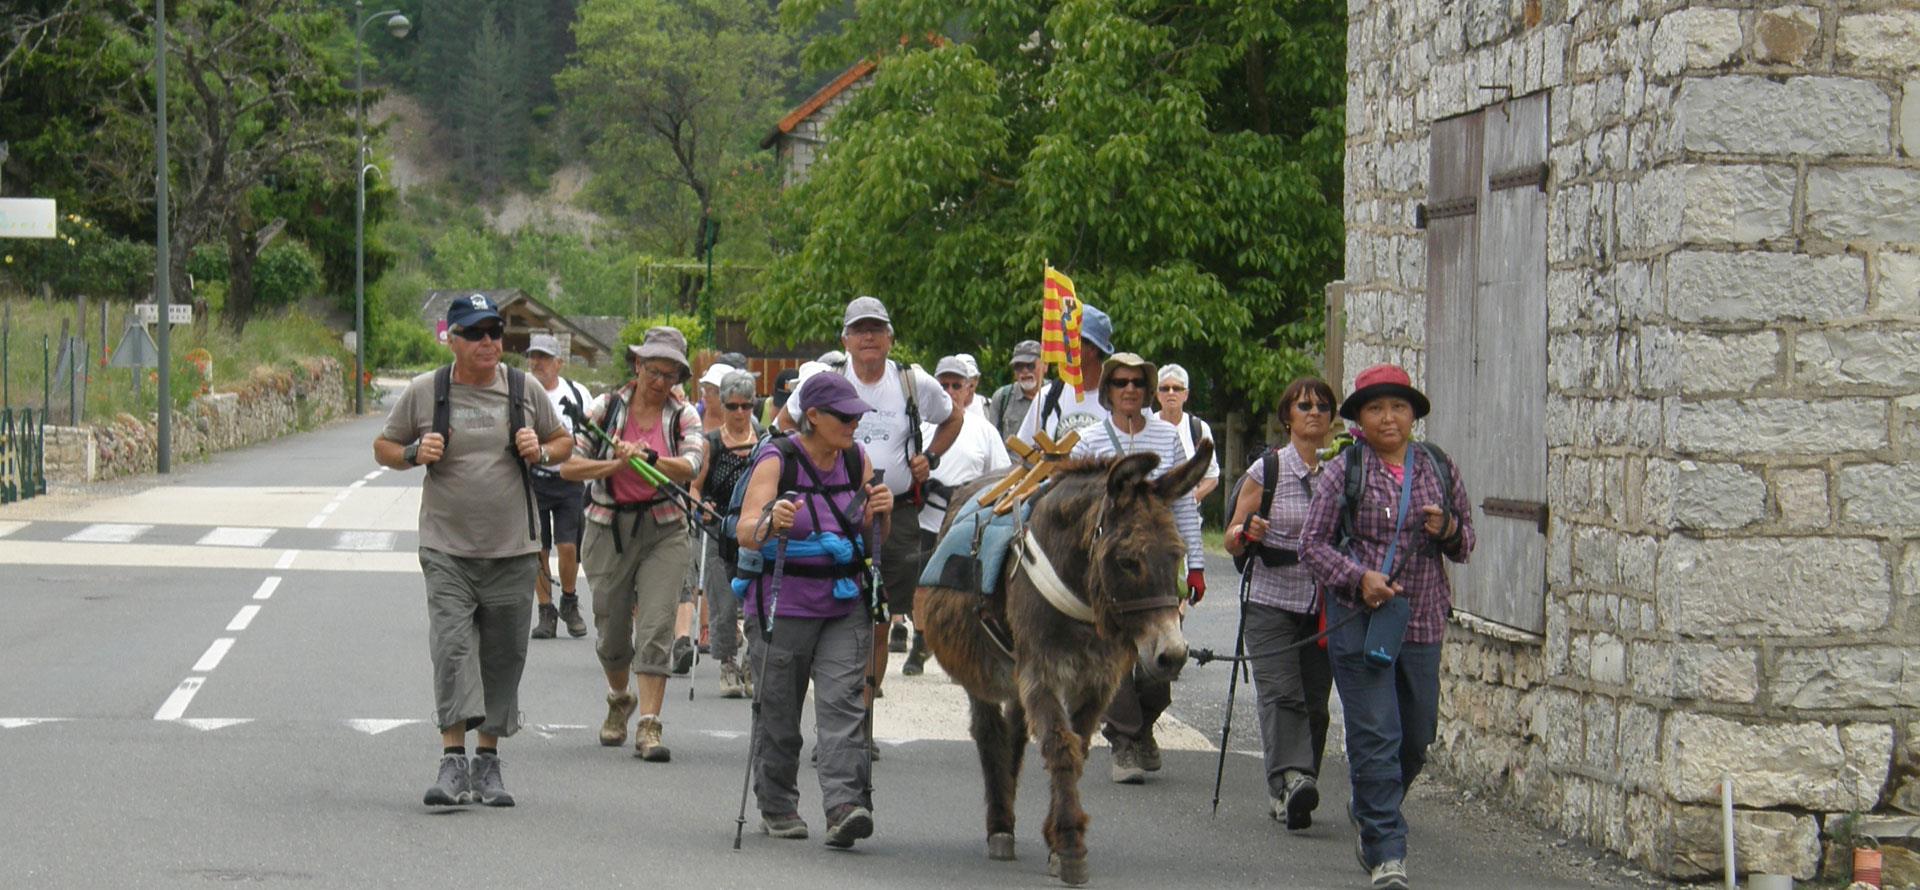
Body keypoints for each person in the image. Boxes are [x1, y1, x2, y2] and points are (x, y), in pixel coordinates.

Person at [374, 293, 573, 808]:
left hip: (512, 548)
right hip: (446, 547)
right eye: (477, 333)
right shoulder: (427, 391)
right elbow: (385, 447)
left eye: (495, 333)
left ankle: (488, 762)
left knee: (504, 654)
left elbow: (563, 441)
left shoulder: (524, 389)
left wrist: (543, 450)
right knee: (452, 648)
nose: (489, 342)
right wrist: (415, 452)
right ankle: (452, 759)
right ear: (453, 340)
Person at [1300, 364, 1474, 890]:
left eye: (1398, 406)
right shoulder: (1343, 470)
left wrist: (1446, 528)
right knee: (1376, 734)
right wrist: (1359, 578)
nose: (1389, 417)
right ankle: (1386, 850)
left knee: (1417, 736)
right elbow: (1312, 544)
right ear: (1360, 419)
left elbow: (1466, 544)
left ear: (1413, 414)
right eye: (1376, 408)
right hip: (1361, 621)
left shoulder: (1438, 467)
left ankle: (1370, 802)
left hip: (1419, 622)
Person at [775, 297, 960, 708]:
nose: (869, 337)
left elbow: (954, 417)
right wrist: (801, 471)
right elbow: (784, 425)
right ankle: (835, 705)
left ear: (891, 338)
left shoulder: (913, 382)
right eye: (859, 330)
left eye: (876, 329)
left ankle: (862, 709)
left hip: (894, 509)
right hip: (829, 510)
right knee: (830, 608)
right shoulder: (825, 380)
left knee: (879, 615)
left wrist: (930, 458)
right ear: (845, 339)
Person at [738, 372, 893, 848]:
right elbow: (746, 531)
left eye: (856, 415)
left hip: (842, 601)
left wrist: (878, 513)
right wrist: (771, 519)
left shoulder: (855, 459)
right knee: (780, 710)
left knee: (845, 701)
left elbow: (868, 539)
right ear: (814, 417)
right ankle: (779, 803)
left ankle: (845, 805)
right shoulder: (777, 458)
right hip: (782, 602)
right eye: (844, 416)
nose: (853, 423)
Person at [561, 326, 706, 763]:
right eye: (653, 370)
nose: (660, 382)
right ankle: (619, 698)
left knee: (657, 626)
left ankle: (650, 724)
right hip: (608, 528)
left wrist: (651, 459)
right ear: (638, 366)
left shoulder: (684, 416)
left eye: (670, 374)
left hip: (665, 530)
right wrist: (614, 462)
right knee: (611, 629)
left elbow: (692, 464)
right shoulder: (605, 408)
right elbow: (569, 467)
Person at [1068, 353, 1204, 785]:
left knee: (1161, 658)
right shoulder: (1089, 440)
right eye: (1120, 382)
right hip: (1110, 567)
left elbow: (1183, 502)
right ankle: (1124, 741)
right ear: (1107, 391)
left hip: (1157, 567)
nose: (1129, 390)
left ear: (1147, 392)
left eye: (1137, 383)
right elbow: (1067, 500)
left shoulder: (1167, 437)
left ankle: (1144, 725)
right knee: (1113, 657)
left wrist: (1195, 564)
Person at [1224, 377, 1338, 833]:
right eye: (1303, 405)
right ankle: (1292, 780)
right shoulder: (1266, 471)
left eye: (1322, 406)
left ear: (1332, 418)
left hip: (1321, 602)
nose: (1313, 411)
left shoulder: (1341, 470)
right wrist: (1245, 532)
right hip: (1269, 598)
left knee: (1315, 702)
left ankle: (1295, 785)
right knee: (1282, 693)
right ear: (1286, 416)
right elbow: (1232, 539)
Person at [907, 354, 1012, 675]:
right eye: (944, 384)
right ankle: (920, 641)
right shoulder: (921, 427)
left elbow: (1000, 475)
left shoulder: (984, 430)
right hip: (927, 514)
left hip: (967, 519)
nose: (951, 390)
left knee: (966, 588)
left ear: (969, 389)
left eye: (957, 384)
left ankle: (965, 645)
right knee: (923, 584)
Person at [691, 369, 762, 698]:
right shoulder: (712, 443)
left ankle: (753, 661)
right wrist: (701, 505)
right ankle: (727, 664)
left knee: (756, 601)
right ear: (722, 405)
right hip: (719, 529)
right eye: (732, 406)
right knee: (721, 600)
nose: (739, 413)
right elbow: (694, 487)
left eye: (746, 406)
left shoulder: (764, 440)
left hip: (756, 529)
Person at [525, 334, 591, 640]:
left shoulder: (577, 393)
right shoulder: (522, 392)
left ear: (559, 363)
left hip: (569, 479)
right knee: (538, 547)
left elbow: (593, 432)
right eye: (534, 357)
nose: (538, 363)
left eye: (544, 358)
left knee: (568, 546)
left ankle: (569, 599)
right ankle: (545, 610)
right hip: (533, 478)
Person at [1015, 303, 1114, 445]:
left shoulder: (1123, 397)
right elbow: (1023, 451)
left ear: (1092, 349)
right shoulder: (1048, 396)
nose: (1062, 348)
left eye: (1070, 341)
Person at [1155, 363, 1220, 504]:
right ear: (1158, 395)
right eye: (1165, 388)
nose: (1171, 393)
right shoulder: (1146, 426)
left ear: (1186, 395)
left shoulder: (1198, 428)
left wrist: (1191, 501)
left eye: (1177, 388)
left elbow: (1212, 476)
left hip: (1190, 518)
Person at [987, 339, 1042, 442]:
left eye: (1030, 365)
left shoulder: (1054, 395)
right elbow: (991, 441)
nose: (1025, 371)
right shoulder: (1002, 398)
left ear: (1045, 366)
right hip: (1011, 458)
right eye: (1019, 366)